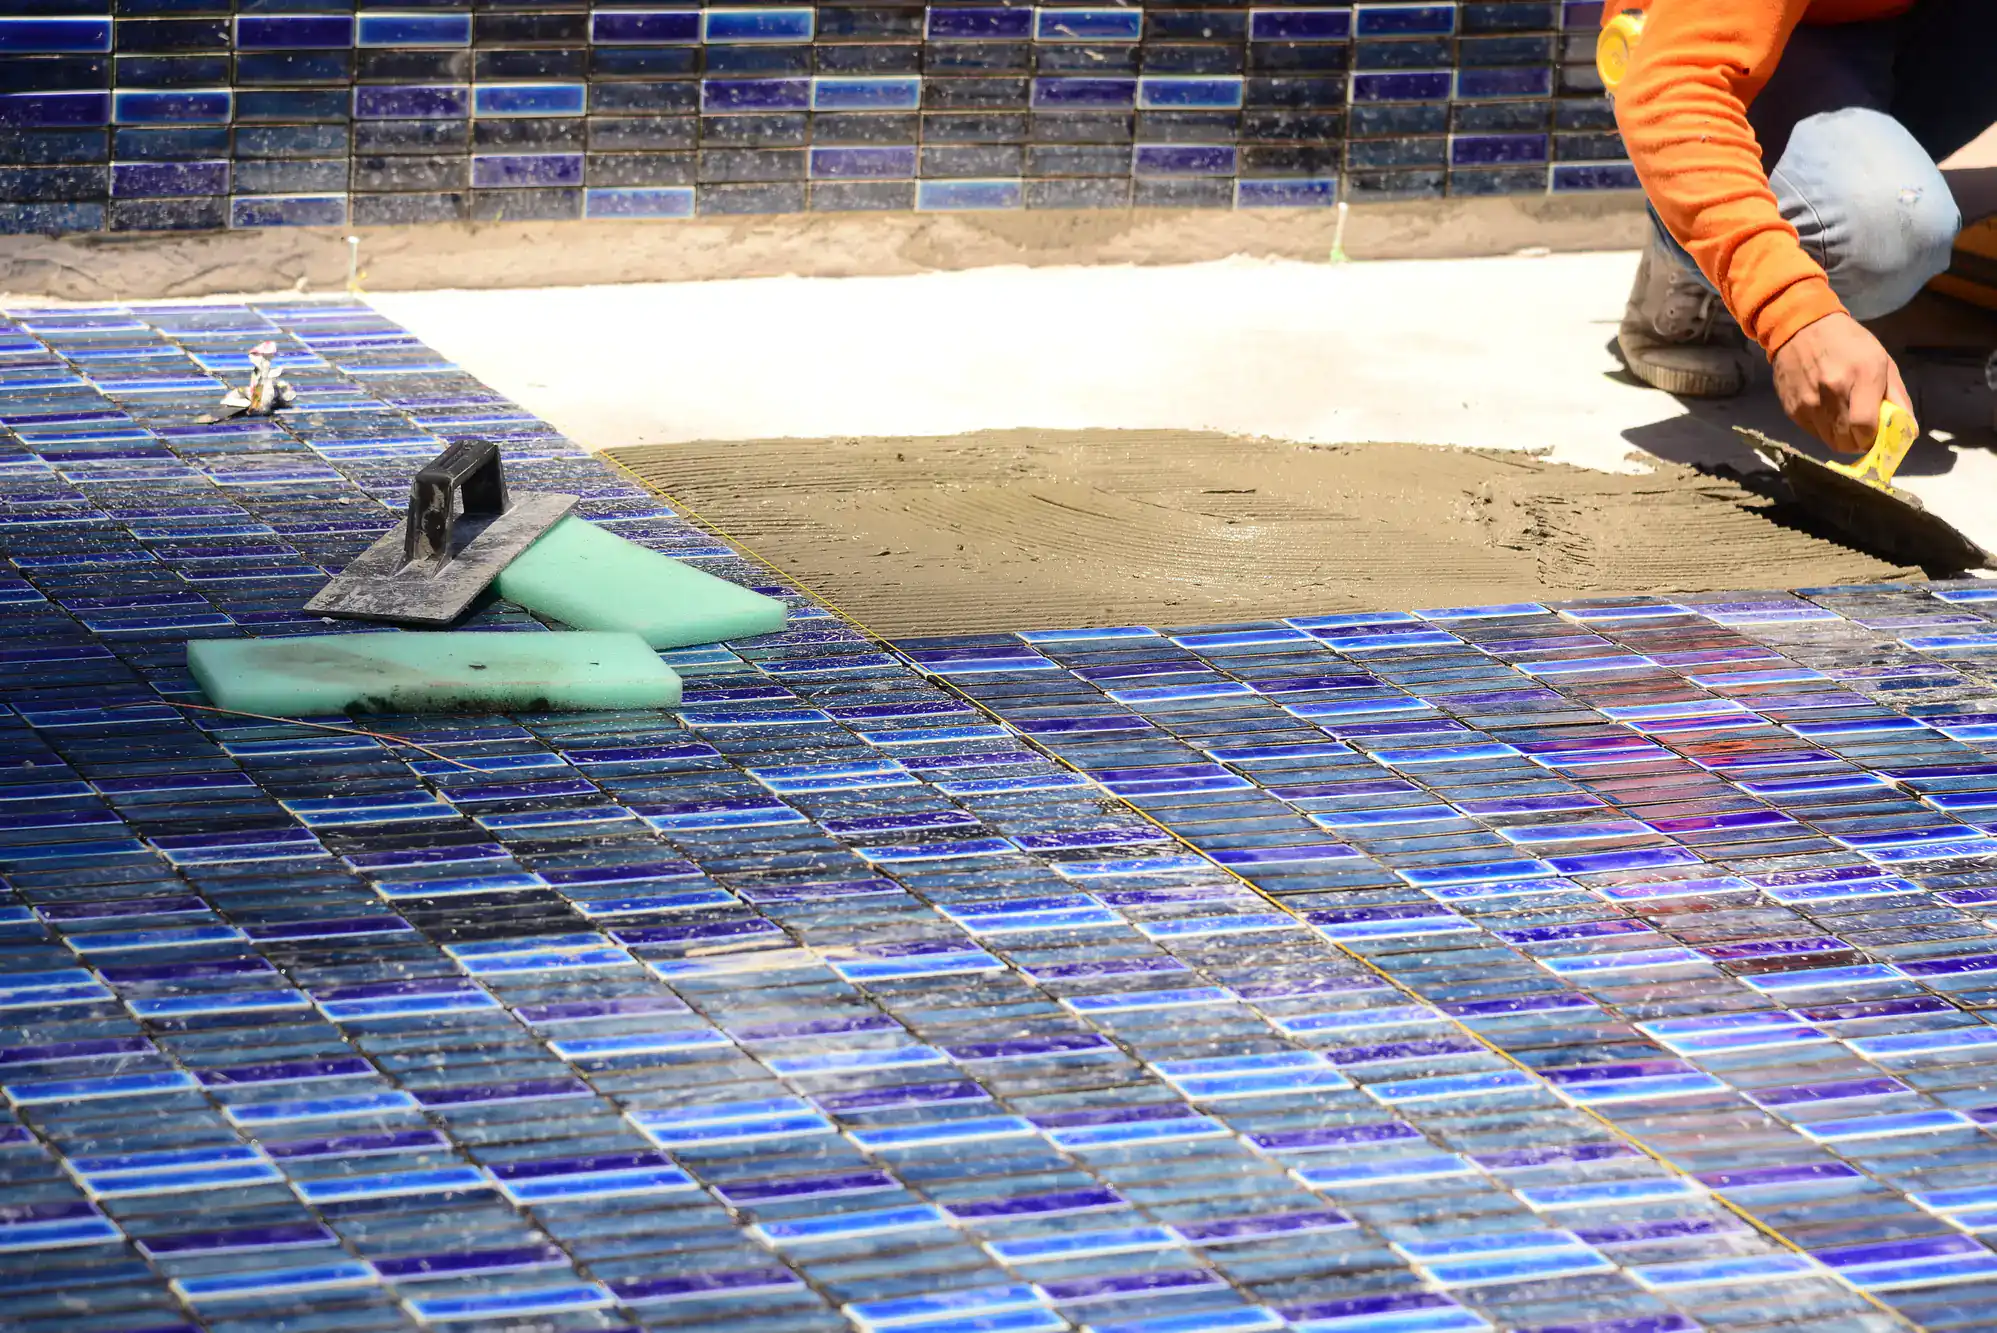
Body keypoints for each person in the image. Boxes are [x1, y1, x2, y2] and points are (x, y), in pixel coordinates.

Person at [1609, 0, 1997, 454]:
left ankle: (1841, 173)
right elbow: (1676, 89)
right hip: (1705, 39)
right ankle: (1686, 233)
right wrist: (1793, 311)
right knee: (1889, 235)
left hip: (1889, 24)